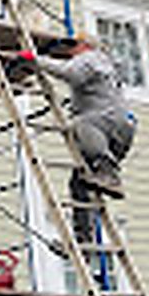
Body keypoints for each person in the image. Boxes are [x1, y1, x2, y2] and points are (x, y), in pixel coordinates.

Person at [16, 36, 136, 241]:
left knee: (80, 124)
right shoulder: (105, 65)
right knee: (80, 183)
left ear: (85, 46)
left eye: (74, 46)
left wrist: (35, 60)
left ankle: (108, 173)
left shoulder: (90, 57)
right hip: (120, 128)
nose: (71, 52)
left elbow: (70, 73)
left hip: (102, 124)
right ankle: (83, 238)